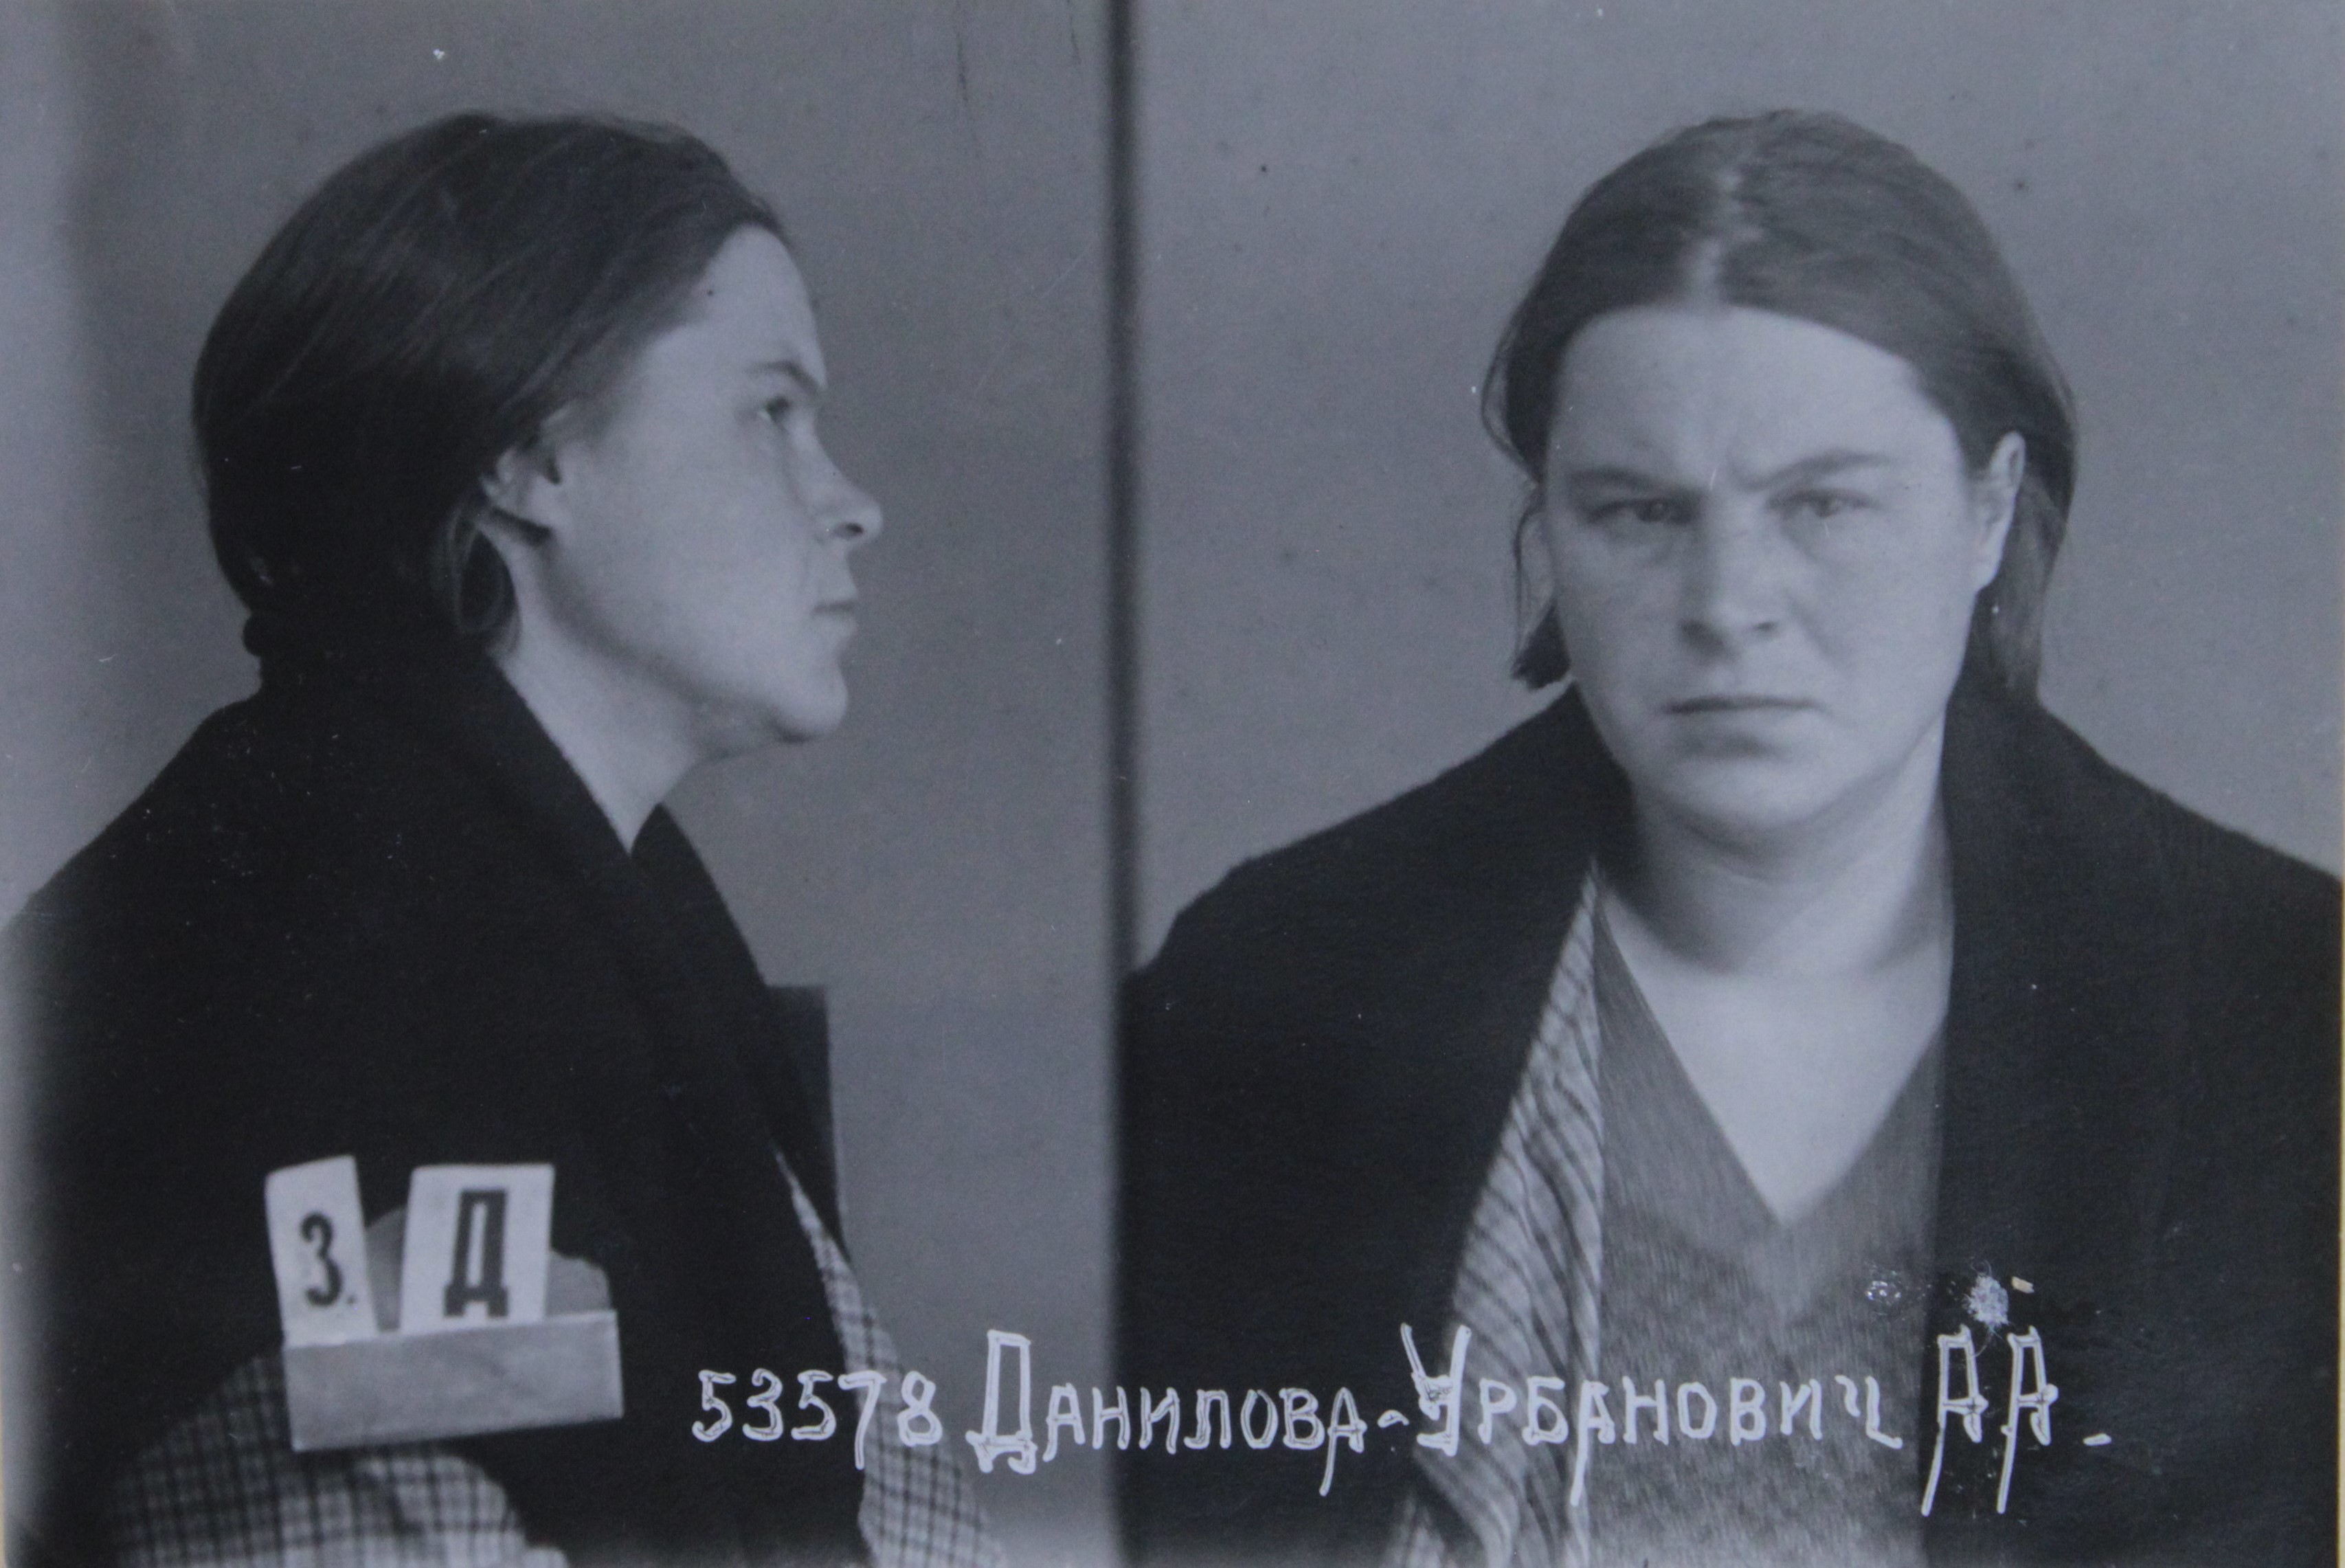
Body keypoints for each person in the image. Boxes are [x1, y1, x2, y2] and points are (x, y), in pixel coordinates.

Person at [1117, 111, 2338, 1567]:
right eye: (1640, 511)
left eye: (1822, 503)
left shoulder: (2288, 1007)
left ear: (1987, 511)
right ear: (1551, 531)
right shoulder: (1277, 992)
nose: (1726, 602)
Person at [8, 113, 997, 1568]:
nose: (851, 505)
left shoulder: (563, 894)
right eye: (770, 412)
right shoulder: (331, 944)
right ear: (528, 453)